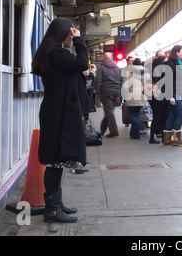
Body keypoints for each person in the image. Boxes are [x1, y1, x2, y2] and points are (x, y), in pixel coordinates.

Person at [31, 18, 88, 223]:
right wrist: (81, 42)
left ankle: (56, 203)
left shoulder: (53, 53)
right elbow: (82, 63)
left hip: (57, 111)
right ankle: (53, 210)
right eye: (71, 36)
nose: (72, 40)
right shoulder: (57, 54)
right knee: (55, 161)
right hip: (59, 114)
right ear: (63, 34)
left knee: (58, 160)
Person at [163, 45, 182, 146]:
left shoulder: (179, 64)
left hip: (180, 93)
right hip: (174, 93)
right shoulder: (170, 64)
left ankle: (167, 139)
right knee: (181, 114)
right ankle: (177, 138)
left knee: (172, 115)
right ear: (177, 53)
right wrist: (170, 96)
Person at [94, 52, 122, 137]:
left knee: (108, 111)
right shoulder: (117, 68)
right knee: (109, 111)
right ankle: (102, 130)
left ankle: (114, 132)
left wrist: (97, 91)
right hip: (116, 92)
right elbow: (121, 80)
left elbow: (98, 80)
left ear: (104, 58)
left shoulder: (101, 67)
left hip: (105, 92)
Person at [122, 58, 147, 139]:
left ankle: (139, 123)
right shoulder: (145, 72)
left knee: (131, 114)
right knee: (136, 113)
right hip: (141, 96)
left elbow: (125, 85)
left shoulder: (130, 72)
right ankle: (134, 135)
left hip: (132, 96)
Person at [148, 54, 168, 143]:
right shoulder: (159, 71)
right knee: (158, 117)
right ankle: (152, 138)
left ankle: (161, 137)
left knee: (160, 117)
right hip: (159, 96)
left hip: (158, 96)